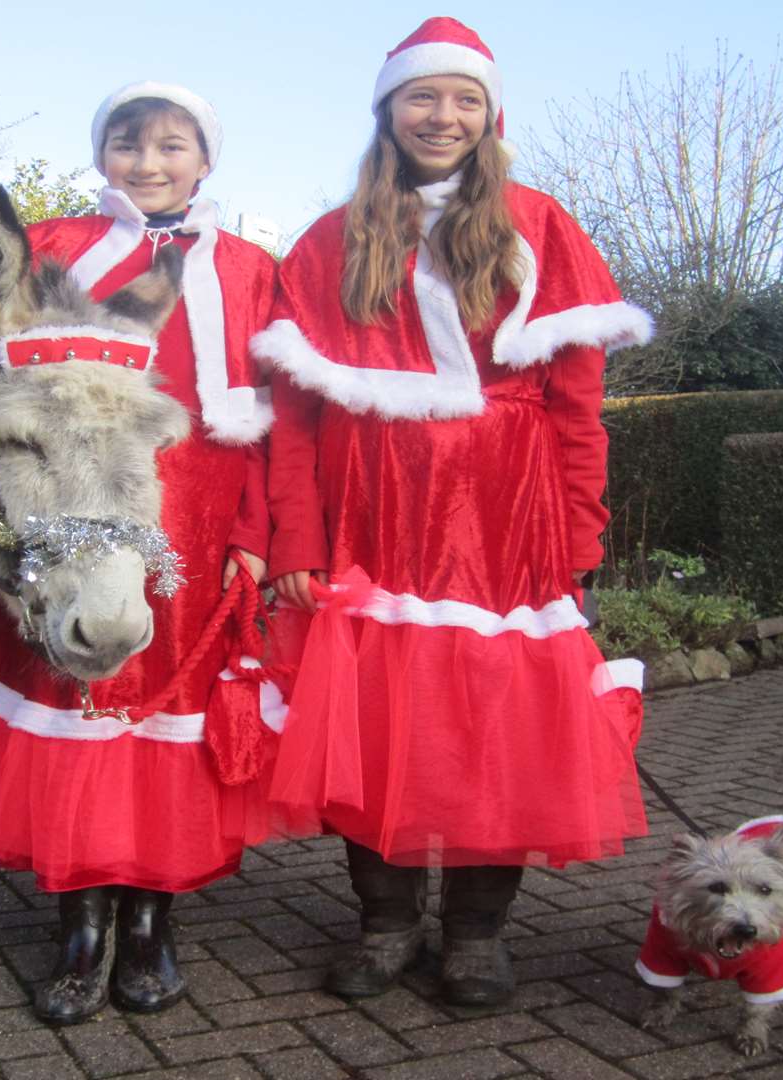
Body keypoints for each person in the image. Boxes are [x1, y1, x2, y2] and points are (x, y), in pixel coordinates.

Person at [255, 16, 653, 1007]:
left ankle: (475, 936)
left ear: (490, 114)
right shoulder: (330, 239)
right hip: (371, 515)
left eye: (463, 98)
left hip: (505, 523)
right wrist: (298, 537)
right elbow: (293, 418)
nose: (443, 114)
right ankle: (387, 925)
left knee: (495, 727)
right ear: (389, 109)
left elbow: (577, 407)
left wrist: (578, 535)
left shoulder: (542, 227)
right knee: (373, 722)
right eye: (423, 95)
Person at [0, 82, 280, 1025]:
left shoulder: (252, 268)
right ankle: (82, 927)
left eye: (173, 145)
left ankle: (151, 925)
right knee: (72, 710)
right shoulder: (50, 246)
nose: (149, 161)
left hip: (196, 529)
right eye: (128, 143)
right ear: (103, 156)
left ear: (204, 161)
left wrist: (258, 536)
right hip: (60, 528)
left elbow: (278, 422)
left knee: (166, 724)